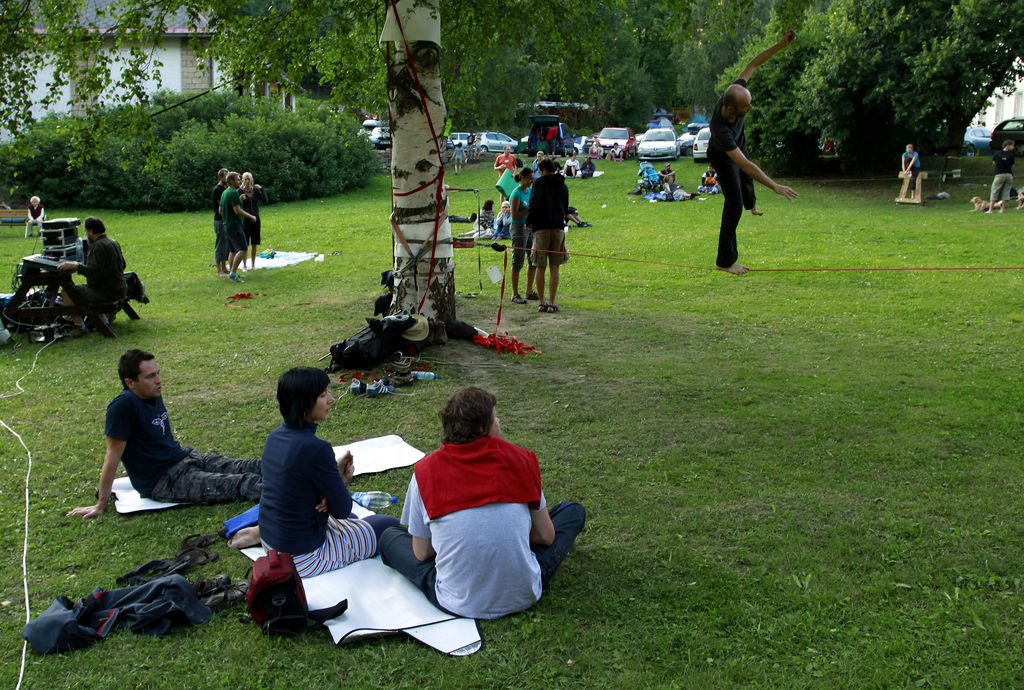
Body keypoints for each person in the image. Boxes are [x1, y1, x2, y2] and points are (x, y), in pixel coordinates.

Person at [379, 387, 585, 619]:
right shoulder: (520, 459)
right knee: (571, 512)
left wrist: (463, 540)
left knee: (389, 537)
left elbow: (422, 551)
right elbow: (546, 536)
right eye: (495, 417)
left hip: (457, 600)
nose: (499, 422)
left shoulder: (426, 471)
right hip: (524, 593)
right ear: (482, 428)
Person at [67, 350, 262, 519]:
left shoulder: (152, 394)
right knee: (244, 483)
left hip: (185, 458)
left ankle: (290, 474)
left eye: (158, 373)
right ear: (130, 382)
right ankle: (291, 493)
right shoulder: (122, 406)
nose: (158, 380)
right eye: (150, 376)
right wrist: (101, 503)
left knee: (251, 466)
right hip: (164, 480)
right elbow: (112, 456)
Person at [256, 368, 399, 575]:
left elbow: (296, 487)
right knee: (388, 526)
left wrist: (328, 490)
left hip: (270, 542)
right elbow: (341, 509)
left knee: (350, 517)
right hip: (302, 558)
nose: (331, 399)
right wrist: (340, 482)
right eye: (323, 395)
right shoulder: (316, 448)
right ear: (304, 403)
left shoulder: (275, 437)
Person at [707, 30, 799, 275]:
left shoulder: (735, 91)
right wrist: (775, 186)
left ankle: (752, 205)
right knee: (734, 202)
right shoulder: (720, 129)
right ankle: (724, 261)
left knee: (746, 183)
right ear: (729, 108)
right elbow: (746, 166)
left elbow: (753, 64)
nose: (751, 107)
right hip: (722, 156)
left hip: (739, 144)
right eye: (746, 106)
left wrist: (780, 45)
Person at [57, 216, 127, 338]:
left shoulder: (98, 246)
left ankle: (80, 326)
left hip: (107, 292)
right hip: (120, 288)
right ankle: (102, 318)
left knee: (67, 291)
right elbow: (123, 265)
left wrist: (77, 266)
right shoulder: (113, 242)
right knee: (78, 291)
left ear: (90, 231)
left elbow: (94, 272)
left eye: (86, 231)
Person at [527, 158, 569, 313]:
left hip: (541, 228)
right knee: (555, 266)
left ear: (543, 170)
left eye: (539, 170)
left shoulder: (539, 184)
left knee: (540, 265)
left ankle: (542, 302)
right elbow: (565, 207)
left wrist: (529, 221)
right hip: (558, 228)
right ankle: (552, 302)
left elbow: (533, 204)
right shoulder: (563, 185)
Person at [220, 171, 257, 283]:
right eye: (237, 179)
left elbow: (220, 210)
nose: (239, 181)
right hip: (234, 226)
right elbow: (237, 211)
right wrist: (250, 216)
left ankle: (232, 272)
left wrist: (238, 200)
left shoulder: (225, 193)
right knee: (243, 248)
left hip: (226, 226)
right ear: (231, 181)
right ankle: (233, 273)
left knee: (232, 250)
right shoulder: (233, 193)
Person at [509, 167, 537, 305]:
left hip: (530, 227)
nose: (532, 181)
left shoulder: (530, 191)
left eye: (532, 178)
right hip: (519, 228)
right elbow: (514, 215)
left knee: (533, 259)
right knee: (518, 261)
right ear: (522, 178)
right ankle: (514, 293)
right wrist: (528, 210)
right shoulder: (516, 194)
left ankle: (529, 291)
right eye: (529, 178)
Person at [239, 172, 268, 271]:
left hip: (256, 219)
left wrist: (261, 189)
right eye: (245, 179)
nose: (247, 181)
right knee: (244, 243)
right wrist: (240, 199)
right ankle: (244, 265)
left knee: (254, 242)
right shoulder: (240, 191)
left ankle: (253, 264)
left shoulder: (256, 190)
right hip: (245, 220)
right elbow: (235, 205)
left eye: (249, 179)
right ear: (242, 180)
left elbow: (265, 201)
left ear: (252, 180)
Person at [987, 139, 1016, 214]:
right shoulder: (1011, 155)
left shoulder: (997, 154)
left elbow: (994, 162)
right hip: (1009, 175)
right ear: (1008, 145)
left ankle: (991, 209)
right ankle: (1002, 209)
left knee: (995, 191)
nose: (1013, 147)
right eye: (1012, 145)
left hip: (999, 175)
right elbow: (1012, 165)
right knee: (1006, 192)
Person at [211, 168, 229, 276]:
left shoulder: (226, 188)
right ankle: (219, 270)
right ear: (221, 177)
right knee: (220, 244)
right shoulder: (217, 190)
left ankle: (224, 267)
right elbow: (222, 206)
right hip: (219, 220)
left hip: (225, 220)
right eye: (226, 176)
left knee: (226, 244)